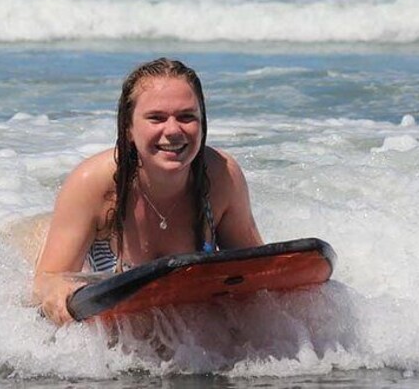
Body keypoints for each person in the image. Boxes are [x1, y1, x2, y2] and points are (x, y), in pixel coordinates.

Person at [32, 57, 263, 325]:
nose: (174, 130)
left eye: (187, 117)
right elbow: (45, 280)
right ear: (129, 128)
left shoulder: (222, 177)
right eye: (156, 118)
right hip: (50, 241)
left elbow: (257, 271)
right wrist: (56, 290)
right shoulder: (92, 183)